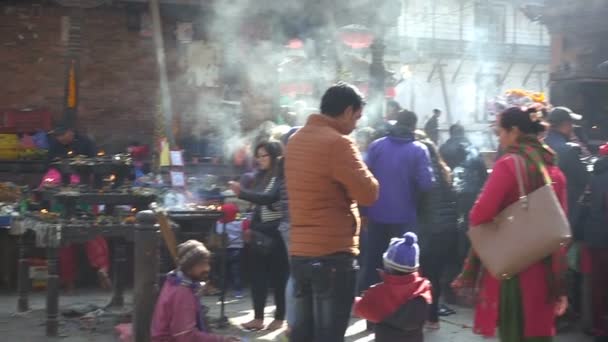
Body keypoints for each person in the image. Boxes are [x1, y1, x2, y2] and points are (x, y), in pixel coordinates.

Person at [452, 106, 568, 342]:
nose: (500, 139)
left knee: (516, 333)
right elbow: (560, 226)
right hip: (547, 271)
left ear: (514, 131)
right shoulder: (554, 170)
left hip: (514, 270)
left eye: (500, 133)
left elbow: (478, 215)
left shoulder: (509, 165)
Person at [285, 82, 379, 342]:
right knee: (330, 335)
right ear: (348, 111)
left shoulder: (295, 140)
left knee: (303, 334)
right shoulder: (338, 144)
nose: (356, 124)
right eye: (357, 117)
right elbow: (369, 193)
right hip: (333, 255)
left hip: (301, 254)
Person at [360, 110, 433, 293]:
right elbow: (426, 183)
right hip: (405, 217)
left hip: (376, 214)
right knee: (402, 265)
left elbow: (363, 177)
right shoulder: (419, 150)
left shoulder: (376, 146)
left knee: (373, 260)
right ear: (413, 127)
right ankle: (399, 302)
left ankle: (368, 299)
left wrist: (364, 211)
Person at [230, 141, 288, 331]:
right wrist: (249, 227)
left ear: (274, 157)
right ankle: (258, 318)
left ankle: (279, 317)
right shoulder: (260, 177)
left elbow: (268, 198)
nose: (261, 159)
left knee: (279, 278)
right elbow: (257, 206)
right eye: (259, 155)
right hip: (259, 232)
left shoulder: (279, 177)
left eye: (265, 155)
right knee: (258, 277)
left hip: (275, 233)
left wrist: (242, 193)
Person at [151, 240, 240, 342]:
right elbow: (186, 336)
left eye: (207, 263)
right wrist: (221, 340)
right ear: (188, 267)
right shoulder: (183, 292)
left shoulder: (174, 280)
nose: (207, 268)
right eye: (201, 264)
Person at [438, 123, 488, 299]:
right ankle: (466, 286)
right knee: (467, 242)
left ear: (450, 133)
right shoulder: (474, 149)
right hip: (472, 201)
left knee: (451, 243)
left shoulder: (443, 148)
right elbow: (484, 177)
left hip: (451, 202)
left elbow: (440, 176)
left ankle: (449, 289)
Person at [415, 130, 458, 329]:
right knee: (435, 275)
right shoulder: (444, 170)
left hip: (428, 229)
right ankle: (433, 318)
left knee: (422, 273)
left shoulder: (420, 171)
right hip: (447, 230)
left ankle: (422, 314)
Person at [354, 232, 432, 342]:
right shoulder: (424, 287)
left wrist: (357, 301)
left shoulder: (379, 292)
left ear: (387, 266)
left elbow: (362, 309)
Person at [544, 106, 590, 238]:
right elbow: (585, 179)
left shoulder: (542, 145)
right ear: (565, 124)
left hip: (545, 209)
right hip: (566, 210)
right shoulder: (568, 151)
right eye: (571, 123)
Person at [583, 143, 608, 339]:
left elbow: (585, 205)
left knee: (598, 284)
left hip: (595, 239)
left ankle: (600, 326)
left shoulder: (593, 178)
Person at [215, 203, 244, 299]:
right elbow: (246, 225)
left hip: (224, 250)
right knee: (236, 272)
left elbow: (218, 234)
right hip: (237, 250)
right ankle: (238, 291)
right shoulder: (239, 223)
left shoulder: (219, 224)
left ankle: (223, 291)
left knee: (224, 272)